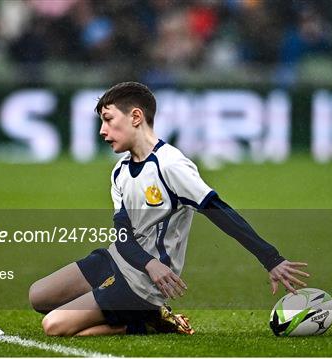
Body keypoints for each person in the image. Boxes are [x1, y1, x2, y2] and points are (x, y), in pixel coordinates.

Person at [29, 81, 309, 336]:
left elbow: (219, 211)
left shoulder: (171, 165)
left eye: (108, 119)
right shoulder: (120, 171)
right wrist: (149, 263)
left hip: (144, 284)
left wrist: (271, 259)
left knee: (54, 326)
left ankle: (143, 320)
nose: (102, 130)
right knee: (38, 296)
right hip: (122, 261)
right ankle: (130, 310)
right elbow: (123, 235)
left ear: (136, 117)